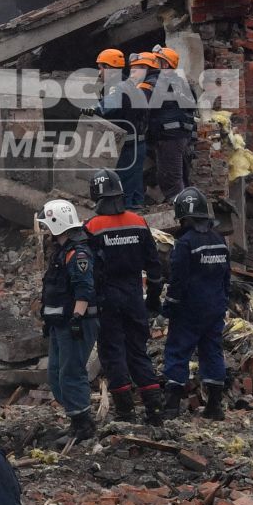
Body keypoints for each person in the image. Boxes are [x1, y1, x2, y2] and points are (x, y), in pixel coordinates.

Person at [85, 170, 165, 425]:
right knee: (138, 352)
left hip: (107, 298)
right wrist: (153, 299)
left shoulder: (92, 227)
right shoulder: (138, 222)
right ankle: (154, 409)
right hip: (134, 296)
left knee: (112, 353)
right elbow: (154, 268)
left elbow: (86, 271)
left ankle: (125, 411)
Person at [162, 187, 232, 419]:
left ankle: (171, 405)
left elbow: (178, 279)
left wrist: (169, 306)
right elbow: (226, 277)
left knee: (178, 352)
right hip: (215, 308)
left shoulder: (185, 243)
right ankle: (214, 406)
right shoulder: (220, 241)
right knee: (212, 352)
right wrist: (223, 301)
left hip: (189, 310)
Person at [36, 200, 99, 443]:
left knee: (71, 372)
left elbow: (84, 289)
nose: (44, 230)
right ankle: (76, 417)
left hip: (75, 323)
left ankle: (83, 426)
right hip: (60, 323)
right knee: (55, 374)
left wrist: (76, 318)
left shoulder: (78, 253)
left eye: (46, 224)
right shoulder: (61, 251)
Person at [95, 50, 152, 211]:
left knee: (123, 190)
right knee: (135, 191)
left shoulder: (117, 88)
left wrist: (94, 109)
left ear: (110, 68)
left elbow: (109, 106)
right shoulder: (130, 85)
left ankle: (127, 221)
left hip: (128, 147)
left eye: (101, 68)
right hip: (137, 144)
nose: (99, 73)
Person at [146, 46, 196, 201]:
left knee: (170, 179)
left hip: (169, 137)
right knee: (180, 176)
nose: (152, 63)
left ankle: (184, 213)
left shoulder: (160, 82)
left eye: (156, 61)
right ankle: (188, 206)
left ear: (165, 65)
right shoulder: (181, 82)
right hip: (182, 136)